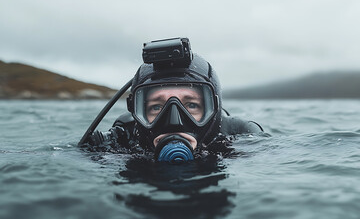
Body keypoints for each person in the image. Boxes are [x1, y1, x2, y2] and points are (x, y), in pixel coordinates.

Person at [79, 38, 263, 162]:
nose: (174, 121)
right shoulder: (125, 137)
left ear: (214, 109)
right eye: (157, 107)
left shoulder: (240, 136)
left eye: (191, 105)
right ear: (135, 112)